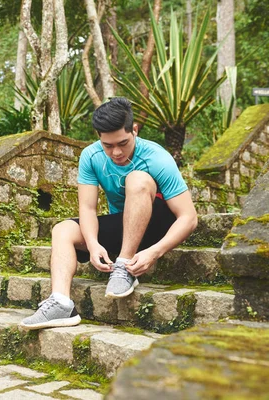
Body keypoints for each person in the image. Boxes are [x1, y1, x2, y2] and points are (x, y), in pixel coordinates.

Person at [20, 97, 198, 330]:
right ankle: (61, 303)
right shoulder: (91, 156)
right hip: (125, 226)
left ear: (134, 130)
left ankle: (124, 266)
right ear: (98, 137)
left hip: (159, 227)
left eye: (122, 143)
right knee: (62, 229)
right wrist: (93, 245)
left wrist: (155, 252)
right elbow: (87, 208)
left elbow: (188, 217)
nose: (115, 152)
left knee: (137, 178)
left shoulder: (156, 157)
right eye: (108, 145)